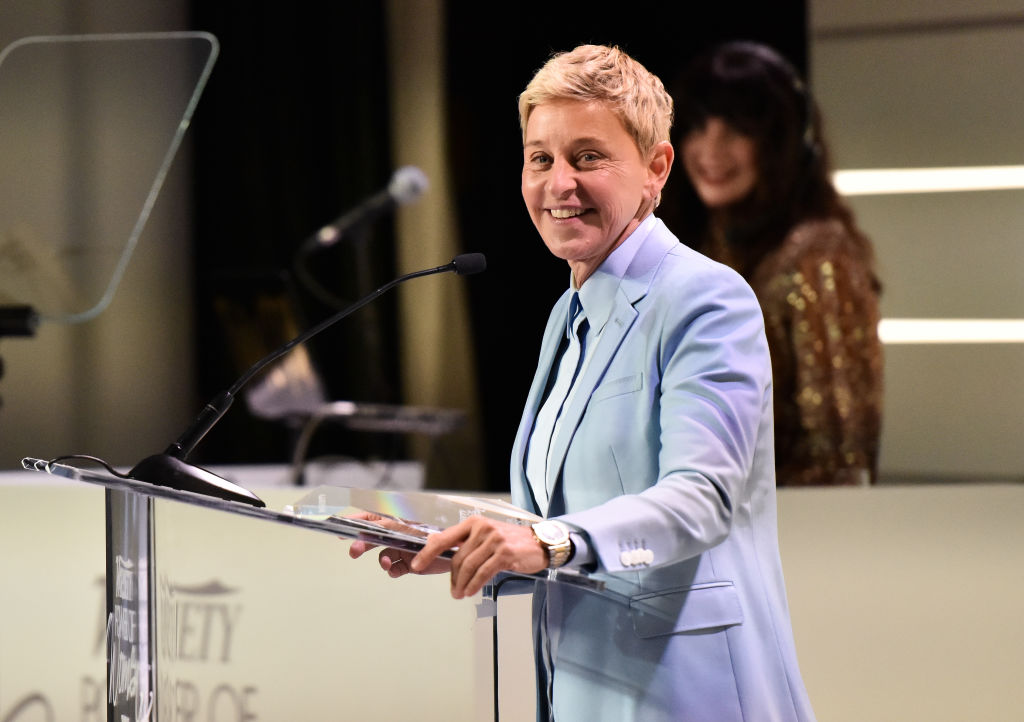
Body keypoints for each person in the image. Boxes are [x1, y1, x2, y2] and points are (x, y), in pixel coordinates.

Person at [350, 44, 815, 721]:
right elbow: (560, 518)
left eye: (588, 157)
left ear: (656, 168)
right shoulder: (566, 316)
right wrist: (452, 538)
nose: (558, 183)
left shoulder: (705, 298)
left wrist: (547, 542)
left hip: (688, 693)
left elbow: (703, 497)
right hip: (579, 686)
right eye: (540, 159)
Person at [665, 40, 883, 487]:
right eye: (698, 127)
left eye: (736, 130)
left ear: (779, 144)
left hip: (786, 523)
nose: (710, 149)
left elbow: (842, 461)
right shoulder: (696, 246)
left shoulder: (819, 256)